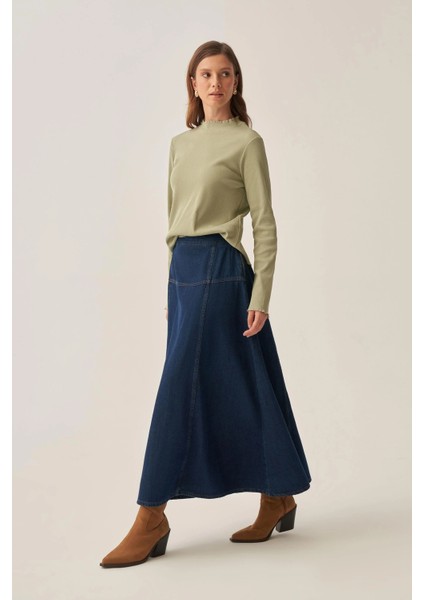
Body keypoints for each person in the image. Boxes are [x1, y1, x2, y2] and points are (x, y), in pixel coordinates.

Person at [100, 40, 312, 569]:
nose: (215, 83)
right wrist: (171, 292)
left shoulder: (247, 142)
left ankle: (151, 514)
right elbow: (174, 223)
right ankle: (278, 495)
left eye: (225, 74)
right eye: (206, 74)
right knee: (245, 382)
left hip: (222, 270)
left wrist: (261, 293)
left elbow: (264, 222)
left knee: (179, 388)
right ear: (193, 84)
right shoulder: (179, 145)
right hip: (184, 274)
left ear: (236, 83)